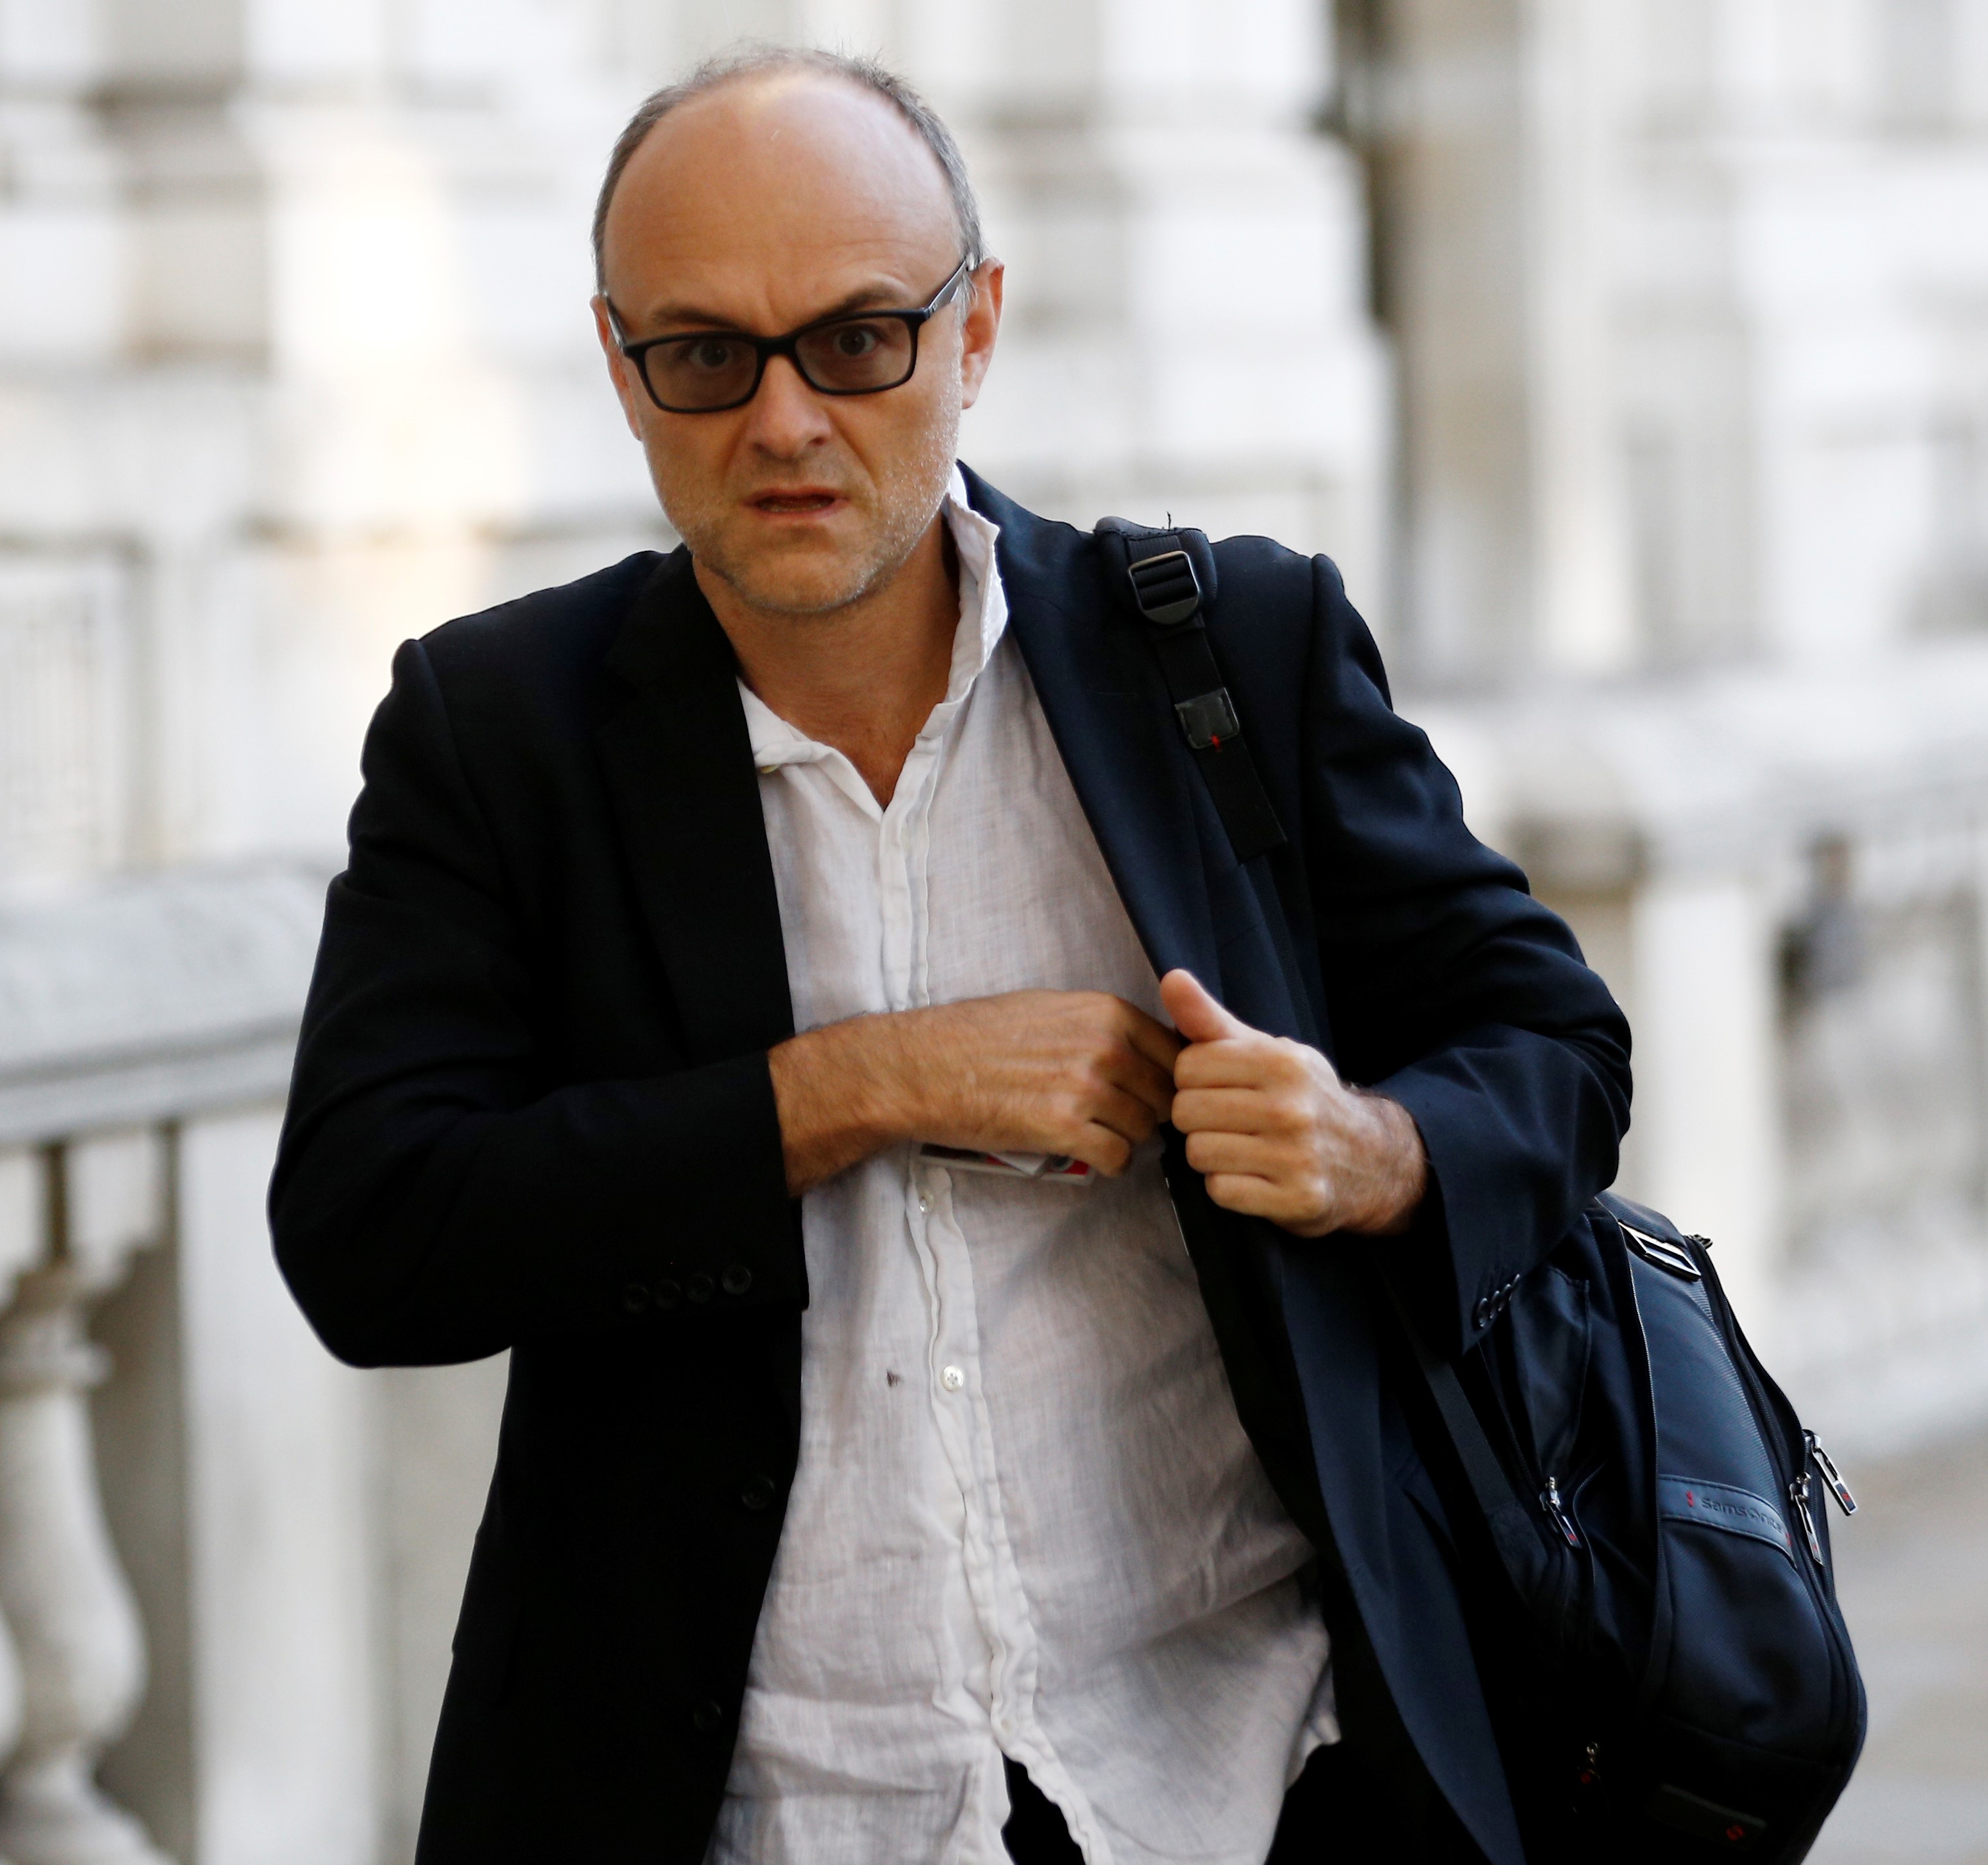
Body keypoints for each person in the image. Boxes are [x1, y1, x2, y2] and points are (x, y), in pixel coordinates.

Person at [269, 45, 1631, 1865]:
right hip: (748, 1803)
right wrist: (860, 1085)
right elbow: (372, 1233)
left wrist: (1370, 1150)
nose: (781, 420)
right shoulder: (496, 727)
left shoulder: (1226, 651)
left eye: (854, 340)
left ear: (973, 328)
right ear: (619, 365)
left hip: (1251, 1766)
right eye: (703, 355)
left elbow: (1549, 1039)